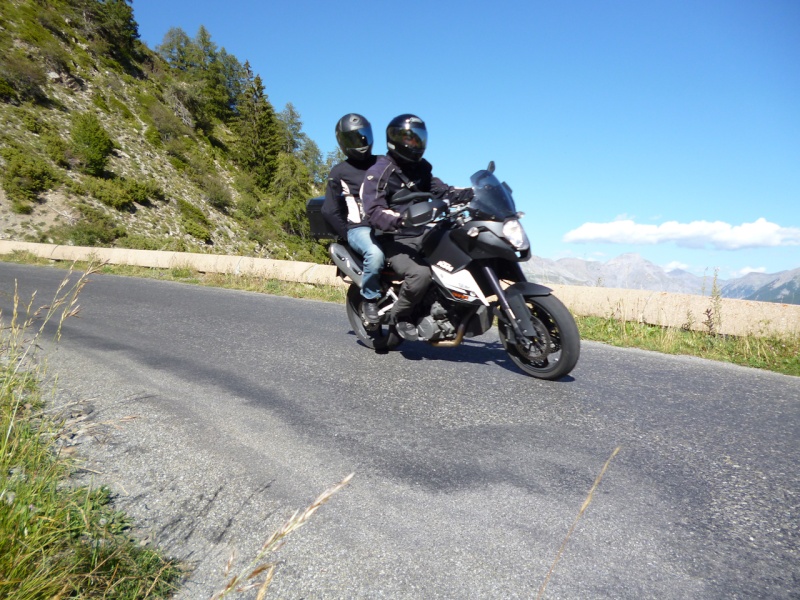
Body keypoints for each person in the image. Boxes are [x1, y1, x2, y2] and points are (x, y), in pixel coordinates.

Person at [361, 114, 472, 340]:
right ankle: (400, 316)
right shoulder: (380, 171)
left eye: (418, 138)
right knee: (420, 274)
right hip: (394, 238)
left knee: (459, 251)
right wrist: (401, 221)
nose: (414, 144)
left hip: (423, 232)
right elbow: (373, 211)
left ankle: (446, 307)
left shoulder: (421, 169)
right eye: (409, 139)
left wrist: (474, 193)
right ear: (395, 139)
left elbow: (443, 191)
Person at [321, 113, 385, 324]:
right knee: (374, 253)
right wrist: (348, 234)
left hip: (387, 226)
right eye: (354, 139)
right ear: (343, 142)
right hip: (359, 228)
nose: (361, 142)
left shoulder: (384, 162)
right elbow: (329, 210)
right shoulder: (339, 172)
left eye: (364, 136)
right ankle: (370, 299)